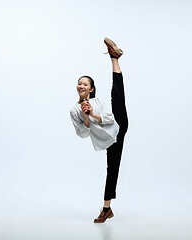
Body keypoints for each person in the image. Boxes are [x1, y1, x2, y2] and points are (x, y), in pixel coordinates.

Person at [69, 38, 128, 223]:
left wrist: (93, 114)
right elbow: (82, 133)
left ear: (91, 89)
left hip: (118, 125)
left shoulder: (97, 103)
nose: (82, 85)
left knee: (116, 94)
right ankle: (107, 209)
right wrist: (86, 117)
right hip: (109, 140)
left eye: (85, 84)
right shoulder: (74, 110)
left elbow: (109, 118)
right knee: (112, 169)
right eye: (80, 83)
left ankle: (114, 58)